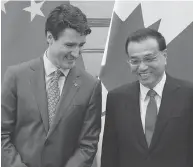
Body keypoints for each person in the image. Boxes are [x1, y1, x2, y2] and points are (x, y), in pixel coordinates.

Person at [1, 4, 102, 167]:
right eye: (69, 45)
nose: (76, 53)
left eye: (81, 45)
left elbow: (88, 145)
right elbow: (2, 133)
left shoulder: (91, 86)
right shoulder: (15, 76)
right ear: (49, 37)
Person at [101, 28, 193, 167]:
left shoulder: (188, 94)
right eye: (135, 61)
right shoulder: (116, 98)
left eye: (149, 59)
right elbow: (110, 153)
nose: (142, 67)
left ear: (165, 56)